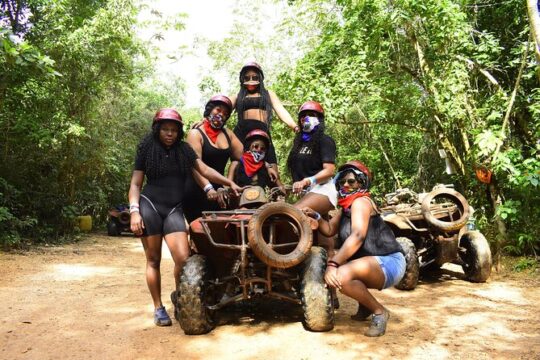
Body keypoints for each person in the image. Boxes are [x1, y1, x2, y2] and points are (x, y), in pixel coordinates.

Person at [128, 108, 241, 326]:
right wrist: (134, 211)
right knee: (153, 260)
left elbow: (205, 170)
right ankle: (159, 308)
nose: (169, 133)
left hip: (174, 209)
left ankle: (181, 296)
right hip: (149, 206)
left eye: (173, 130)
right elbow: (135, 184)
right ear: (157, 130)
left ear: (179, 132)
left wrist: (229, 183)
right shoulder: (146, 148)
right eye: (165, 130)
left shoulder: (184, 150)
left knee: (183, 258)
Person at [302, 161, 406, 337]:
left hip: (389, 261)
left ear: (361, 182)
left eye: (351, 181)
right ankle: (365, 306)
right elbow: (328, 230)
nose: (346, 185)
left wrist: (333, 264)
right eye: (342, 182)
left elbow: (357, 236)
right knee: (344, 277)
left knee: (340, 276)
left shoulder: (361, 202)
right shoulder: (345, 208)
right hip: (372, 263)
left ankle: (380, 312)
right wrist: (317, 217)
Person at [230, 61, 300, 179]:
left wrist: (295, 126)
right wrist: (205, 119)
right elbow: (222, 107)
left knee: (272, 166)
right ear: (242, 79)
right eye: (247, 77)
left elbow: (280, 110)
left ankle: (276, 192)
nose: (251, 79)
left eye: (254, 77)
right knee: (238, 164)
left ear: (260, 78)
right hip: (242, 135)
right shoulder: (238, 96)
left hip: (262, 134)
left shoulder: (268, 94)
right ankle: (234, 191)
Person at [183, 95, 244, 223]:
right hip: (197, 188)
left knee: (220, 233)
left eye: (225, 113)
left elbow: (244, 157)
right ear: (210, 110)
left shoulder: (228, 134)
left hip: (220, 190)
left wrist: (229, 180)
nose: (221, 114)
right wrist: (208, 187)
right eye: (218, 110)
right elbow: (194, 166)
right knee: (198, 232)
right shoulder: (195, 133)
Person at [288, 100, 337, 216]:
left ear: (319, 119)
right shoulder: (298, 143)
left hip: (323, 189)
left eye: (311, 115)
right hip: (306, 194)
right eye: (303, 115)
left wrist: (307, 181)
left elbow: (329, 171)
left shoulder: (325, 141)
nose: (306, 118)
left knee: (291, 213)